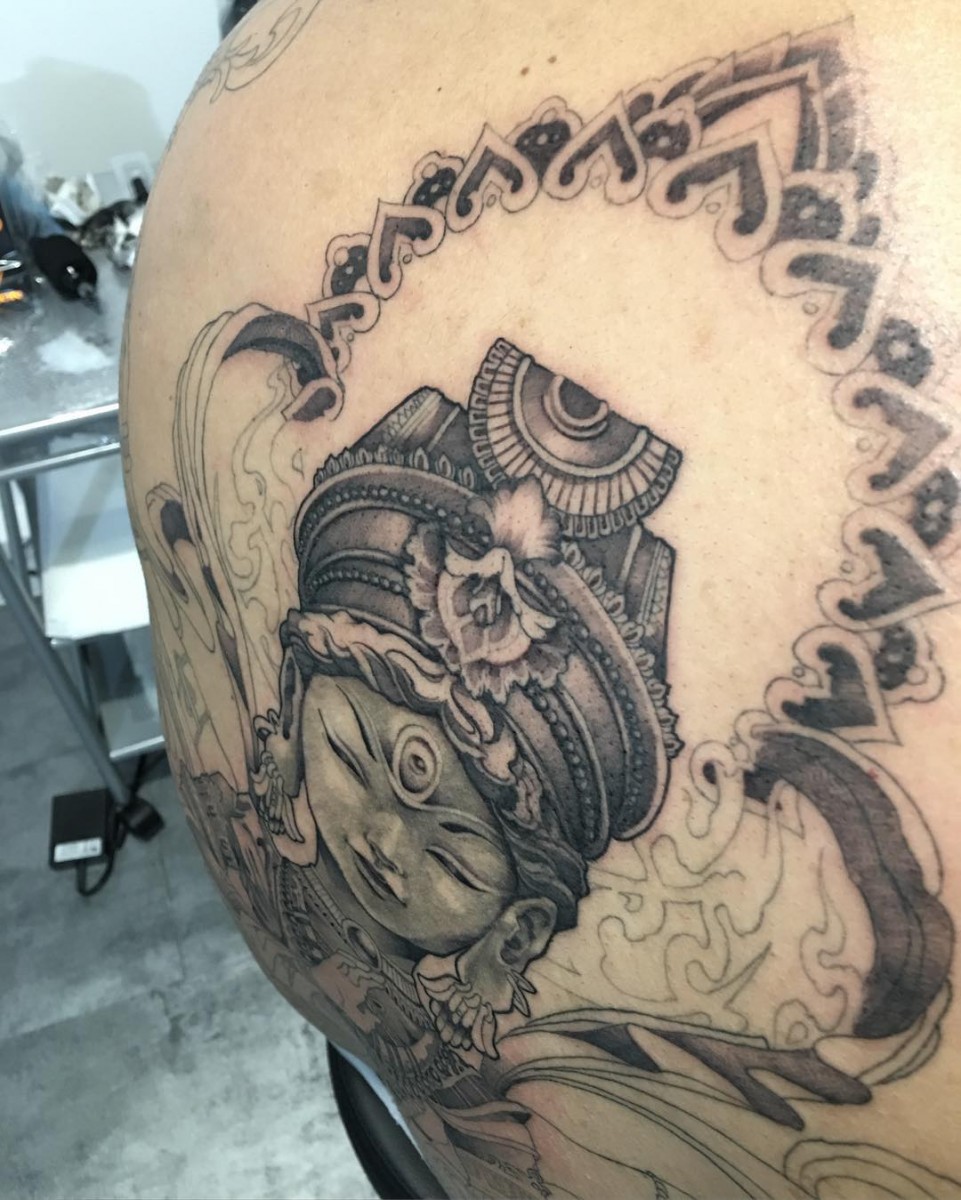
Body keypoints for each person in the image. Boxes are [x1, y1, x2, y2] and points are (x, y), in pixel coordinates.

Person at [123, 2, 961, 1196]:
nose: (387, 842)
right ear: (290, 706)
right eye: (360, 754)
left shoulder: (236, 118)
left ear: (519, 925)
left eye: (453, 836)